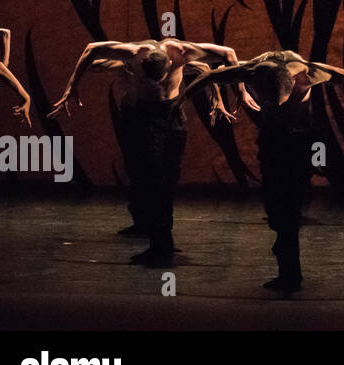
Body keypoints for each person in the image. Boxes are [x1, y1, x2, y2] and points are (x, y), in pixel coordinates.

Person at [184, 50, 344, 291]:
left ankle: (290, 271)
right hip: (273, 141)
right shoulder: (254, 70)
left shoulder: (307, 73)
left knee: (290, 208)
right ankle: (286, 253)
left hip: (298, 141)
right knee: (274, 205)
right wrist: (185, 102)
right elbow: (210, 75)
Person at [51, 39, 250, 265]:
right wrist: (71, 87)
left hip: (173, 115)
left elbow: (228, 53)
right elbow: (91, 49)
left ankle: (163, 242)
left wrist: (239, 92)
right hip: (145, 117)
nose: (158, 80)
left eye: (162, 76)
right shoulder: (133, 54)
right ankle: (158, 242)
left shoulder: (182, 52)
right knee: (151, 179)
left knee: (167, 180)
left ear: (171, 62)